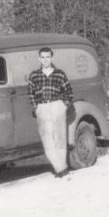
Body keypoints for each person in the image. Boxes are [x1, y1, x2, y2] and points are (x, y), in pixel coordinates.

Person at [28, 47, 74, 178]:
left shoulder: (60, 74)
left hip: (57, 106)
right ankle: (61, 169)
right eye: (42, 57)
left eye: (48, 57)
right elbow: (30, 94)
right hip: (42, 108)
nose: (45, 60)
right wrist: (36, 108)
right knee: (47, 140)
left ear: (52, 58)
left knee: (60, 139)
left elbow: (69, 93)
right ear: (39, 59)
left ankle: (61, 169)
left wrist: (63, 106)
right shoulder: (34, 76)